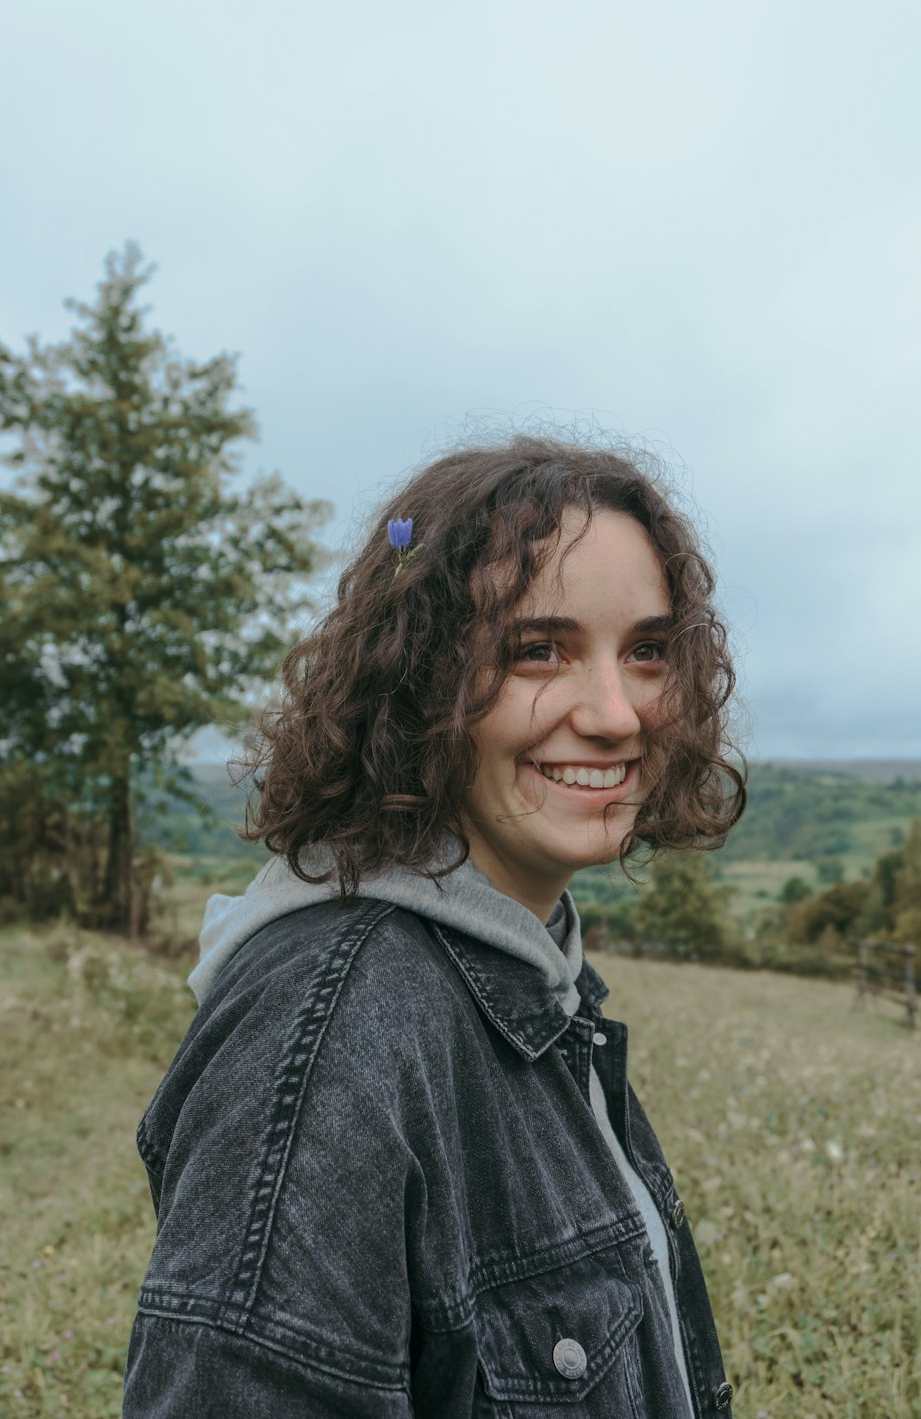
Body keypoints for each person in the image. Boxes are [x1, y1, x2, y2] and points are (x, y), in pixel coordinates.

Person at [122, 434, 746, 1417]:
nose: (618, 713)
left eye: (646, 651)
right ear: (418, 679)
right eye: (538, 649)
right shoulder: (328, 1033)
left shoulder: (529, 972)